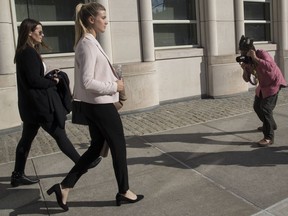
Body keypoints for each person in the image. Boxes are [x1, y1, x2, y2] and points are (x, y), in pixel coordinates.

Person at [47, 3, 143, 211]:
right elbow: (87, 82)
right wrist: (114, 85)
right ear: (92, 20)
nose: (107, 21)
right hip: (100, 105)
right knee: (118, 147)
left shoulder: (89, 42)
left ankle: (64, 186)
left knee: (95, 149)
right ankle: (124, 191)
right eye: (103, 17)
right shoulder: (88, 45)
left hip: (95, 105)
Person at [12, 18, 101, 187]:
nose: (42, 35)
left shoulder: (24, 51)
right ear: (29, 32)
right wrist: (53, 81)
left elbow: (32, 79)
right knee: (60, 135)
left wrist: (48, 76)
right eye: (39, 32)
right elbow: (34, 81)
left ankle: (17, 175)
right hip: (39, 107)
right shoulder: (28, 53)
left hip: (30, 107)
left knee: (26, 140)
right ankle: (83, 163)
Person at [238, 35, 287, 147]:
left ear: (251, 49)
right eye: (241, 51)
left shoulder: (262, 53)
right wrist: (245, 70)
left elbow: (270, 67)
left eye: (244, 51)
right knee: (257, 106)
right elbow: (246, 79)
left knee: (265, 108)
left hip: (274, 83)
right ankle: (269, 124)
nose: (242, 53)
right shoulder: (247, 61)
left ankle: (269, 137)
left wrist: (255, 58)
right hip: (263, 85)